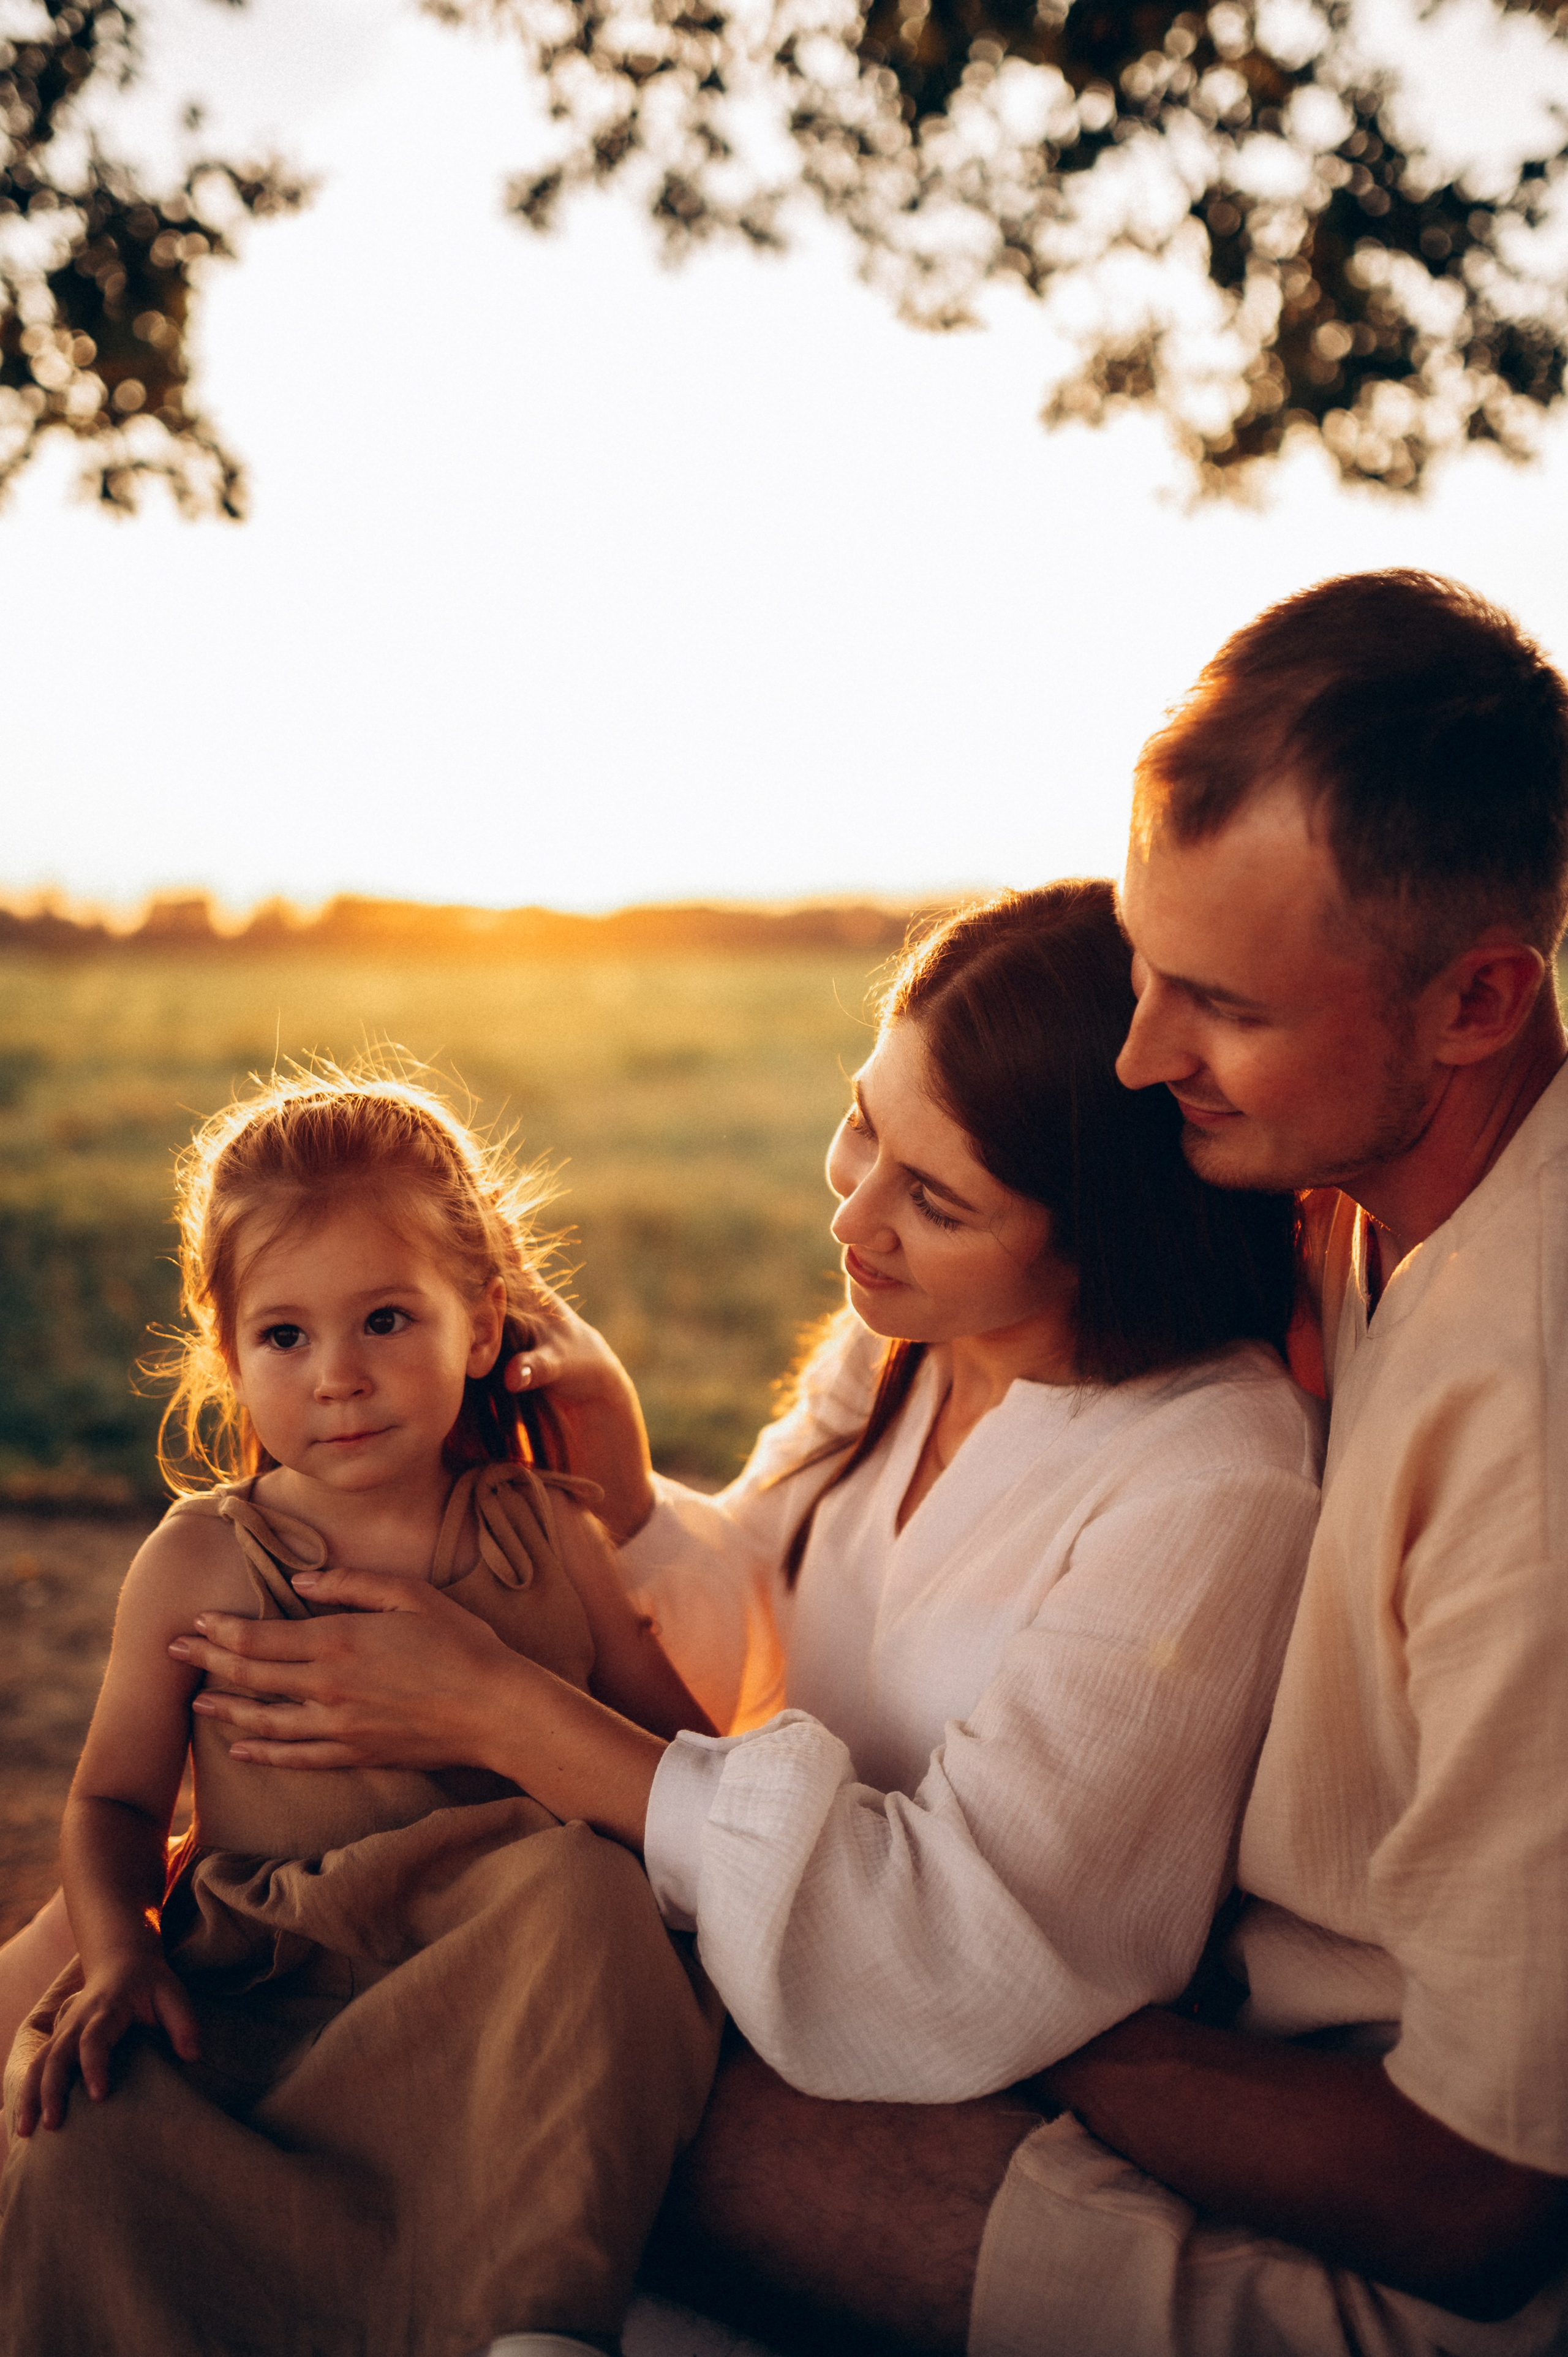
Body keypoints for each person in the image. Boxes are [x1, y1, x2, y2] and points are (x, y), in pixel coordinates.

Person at [139, 885, 1322, 2317]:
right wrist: (627, 1506)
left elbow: (968, 1949)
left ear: (1099, 1240)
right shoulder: (910, 1336)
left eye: (932, 1198)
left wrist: (510, 1711)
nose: (853, 1210)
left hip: (913, 2057)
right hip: (715, 1935)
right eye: (864, 1124)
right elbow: (764, 1630)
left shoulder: (1206, 1481)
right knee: (104, 1957)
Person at [0, 1068, 723, 2357]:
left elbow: (685, 1770)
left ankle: (536, 2325)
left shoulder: (545, 1532)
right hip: (267, 1987)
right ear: (227, 1353)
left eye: (387, 1318)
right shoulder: (205, 1559)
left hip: (494, 1987)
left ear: (482, 1321)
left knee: (588, 1889)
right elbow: (112, 1799)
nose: (338, 1376)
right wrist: (119, 1953)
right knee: (85, 2120)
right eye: (284, 1336)